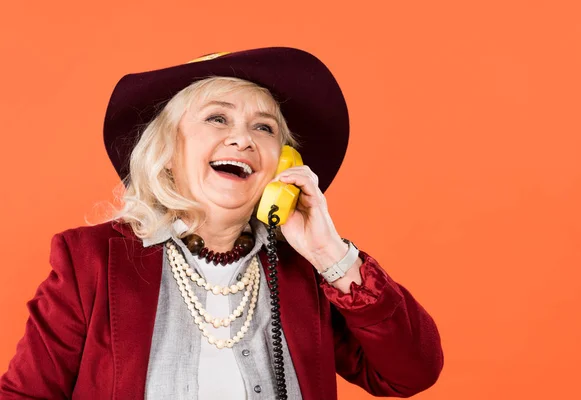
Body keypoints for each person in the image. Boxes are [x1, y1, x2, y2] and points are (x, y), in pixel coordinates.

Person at [0, 47, 443, 399]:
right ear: (169, 152)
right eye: (217, 118)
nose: (242, 138)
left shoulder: (306, 270)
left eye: (265, 128)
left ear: (283, 164)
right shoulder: (89, 261)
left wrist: (331, 254)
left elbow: (410, 373)